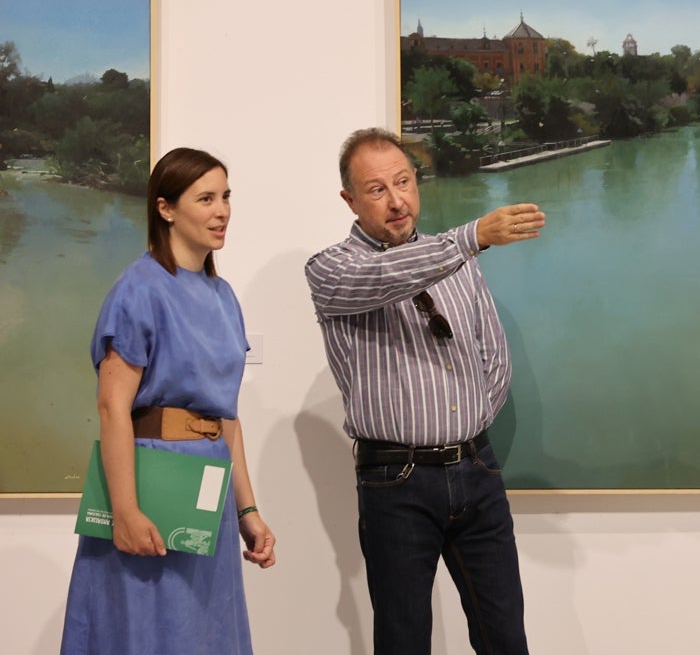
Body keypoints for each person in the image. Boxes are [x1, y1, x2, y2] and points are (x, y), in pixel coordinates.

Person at [305, 127, 544, 654]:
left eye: (404, 182)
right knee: (404, 639)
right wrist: (473, 236)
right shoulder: (332, 269)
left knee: (505, 636)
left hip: (476, 470)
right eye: (376, 190)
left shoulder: (457, 263)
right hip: (397, 480)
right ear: (349, 199)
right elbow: (385, 276)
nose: (397, 201)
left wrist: (470, 426)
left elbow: (493, 357)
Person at [60, 148, 276, 655]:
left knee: (203, 630)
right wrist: (125, 510)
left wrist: (248, 510)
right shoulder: (138, 289)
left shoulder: (223, 297)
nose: (222, 210)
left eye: (226, 197)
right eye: (206, 198)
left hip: (209, 487)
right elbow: (114, 408)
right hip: (151, 484)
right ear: (166, 209)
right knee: (145, 630)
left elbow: (228, 418)